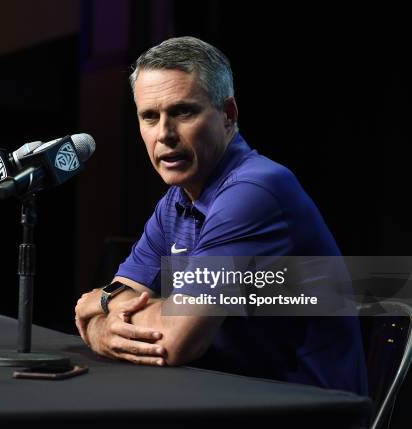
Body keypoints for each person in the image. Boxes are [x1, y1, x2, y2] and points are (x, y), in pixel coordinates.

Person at [74, 36, 367, 395]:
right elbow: (121, 294)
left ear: (228, 115)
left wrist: (100, 307)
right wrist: (104, 318)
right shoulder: (176, 201)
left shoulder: (255, 190)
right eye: (150, 116)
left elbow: (174, 339)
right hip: (228, 395)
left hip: (306, 408)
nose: (164, 134)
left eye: (183, 111)